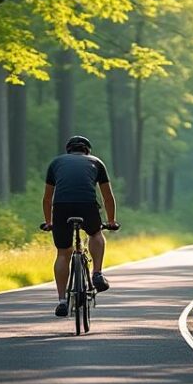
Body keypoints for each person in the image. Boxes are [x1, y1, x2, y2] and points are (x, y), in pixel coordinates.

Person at [41, 135, 119, 317]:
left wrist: (49, 222)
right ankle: (97, 273)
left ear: (68, 150)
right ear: (87, 150)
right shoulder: (96, 162)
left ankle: (62, 300)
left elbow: (47, 198)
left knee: (63, 252)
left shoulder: (56, 163)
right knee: (96, 233)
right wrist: (112, 220)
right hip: (87, 205)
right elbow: (107, 197)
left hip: (61, 207)